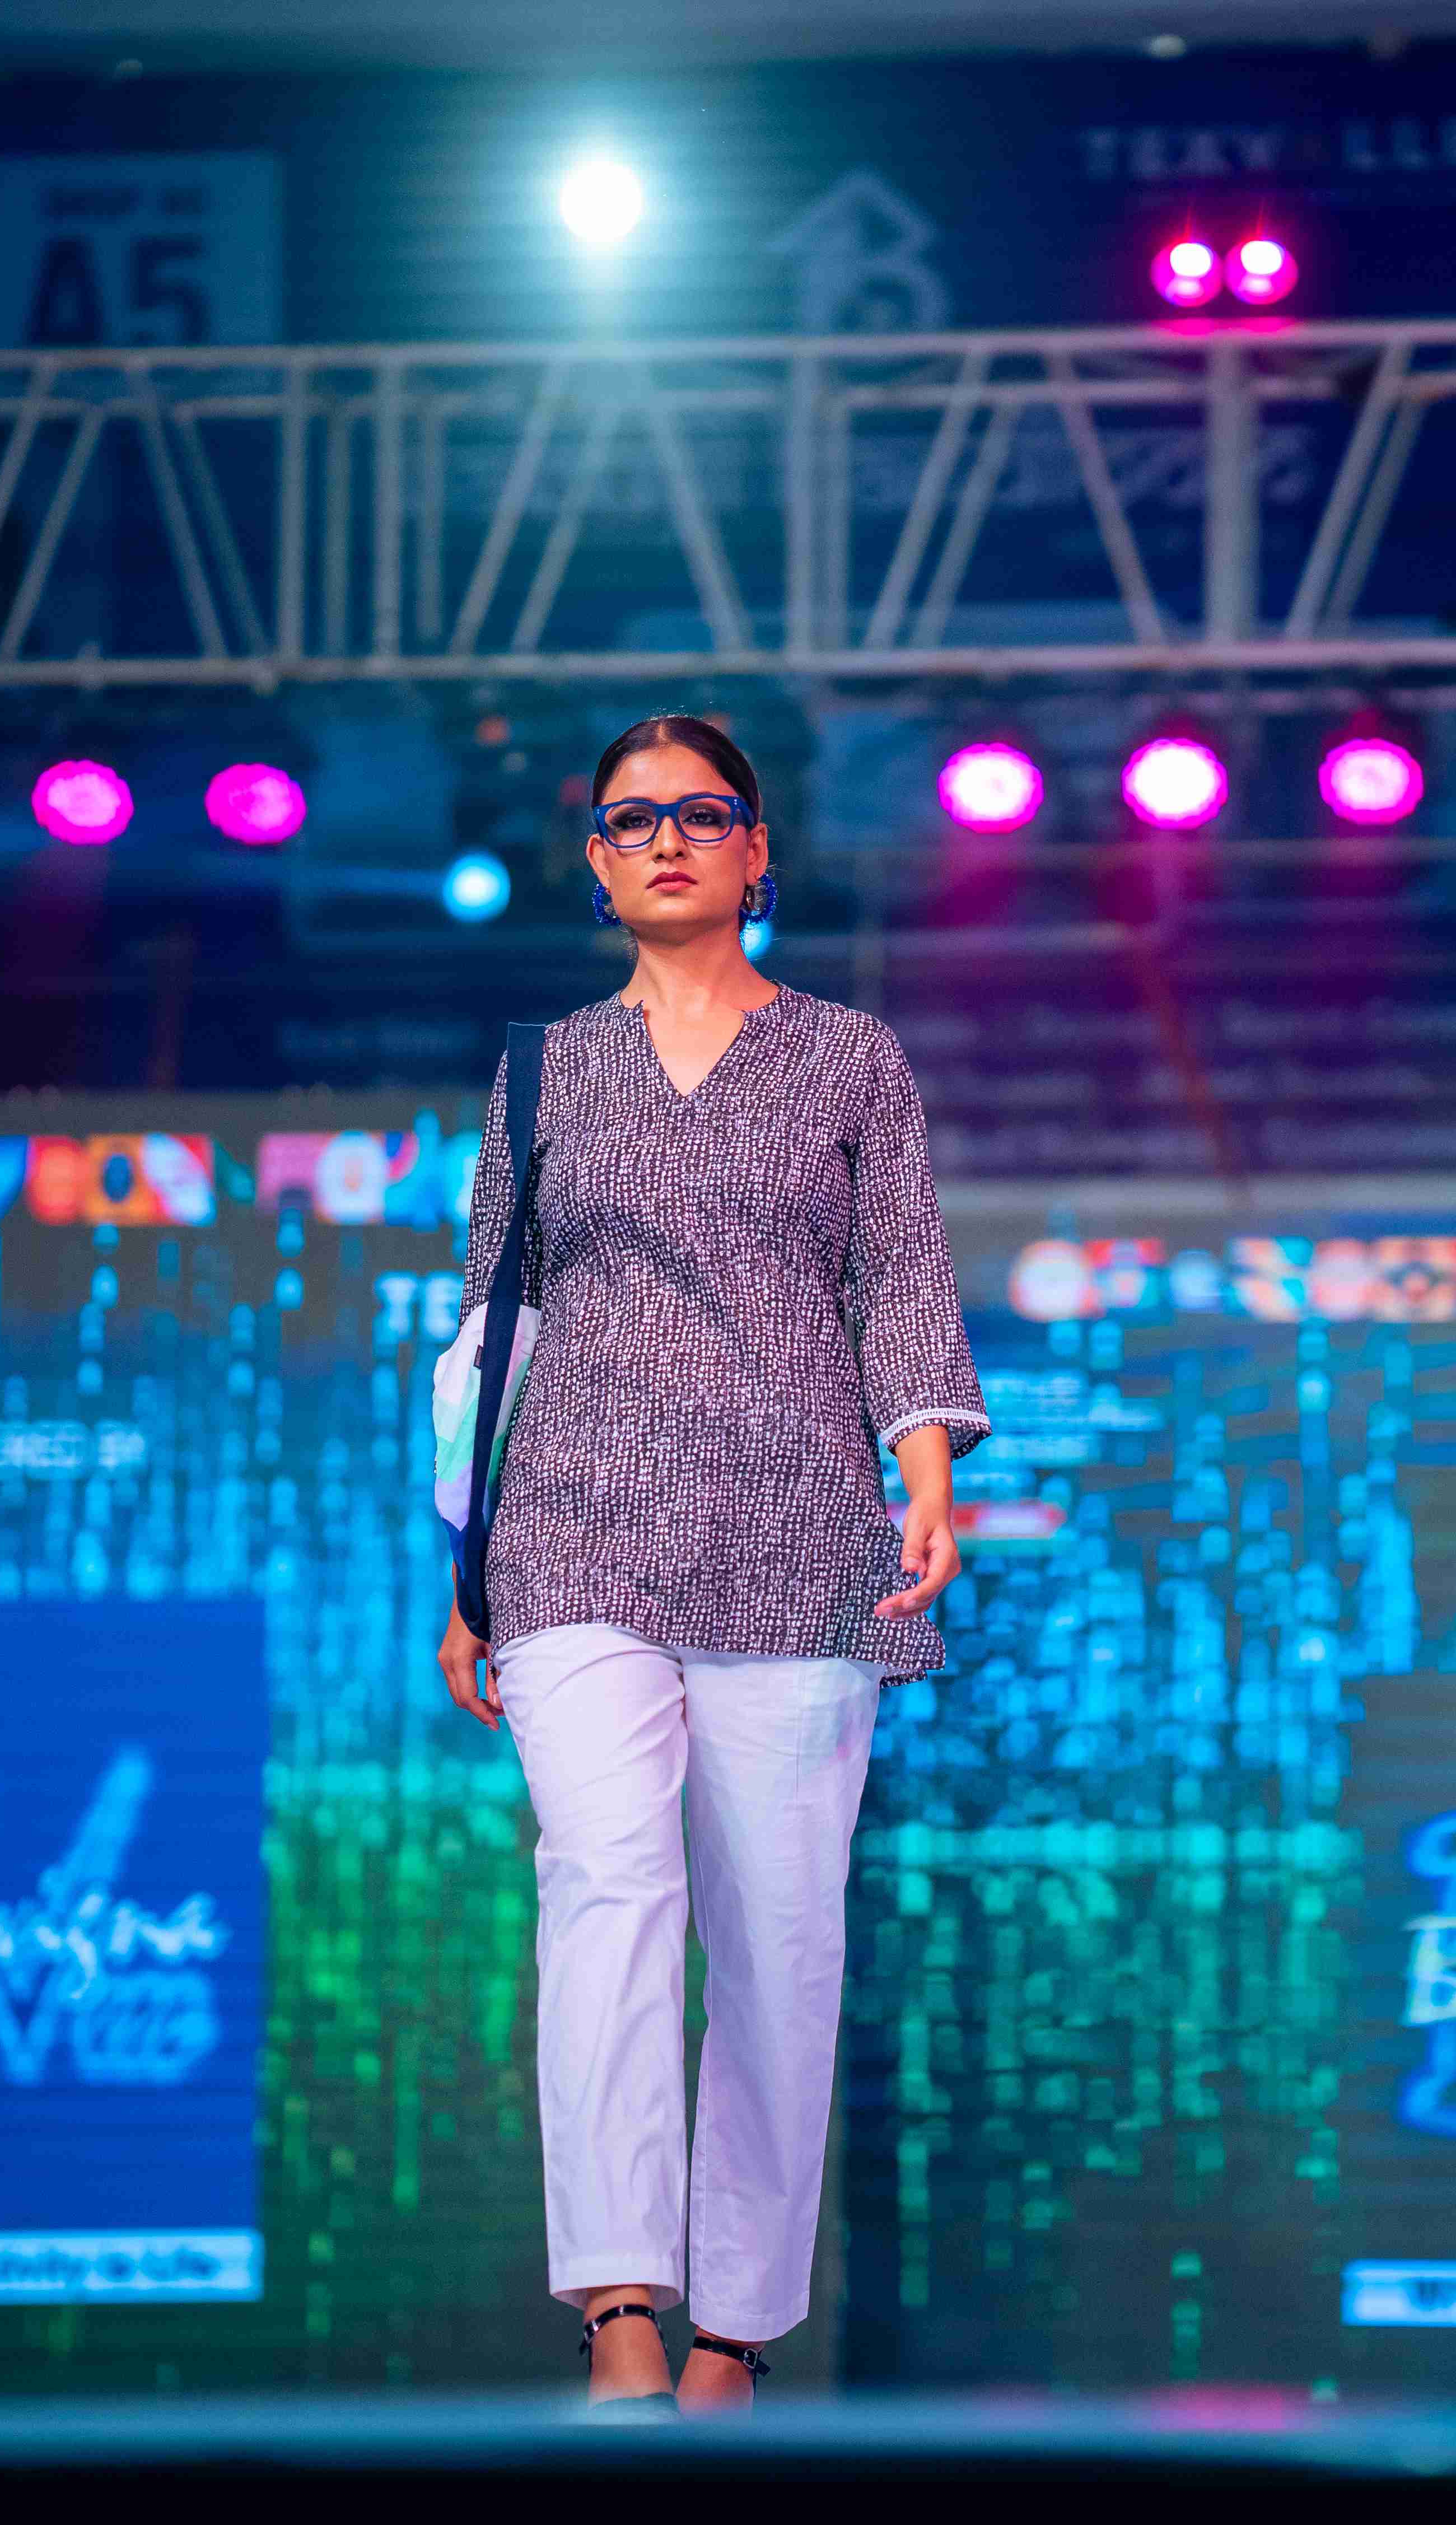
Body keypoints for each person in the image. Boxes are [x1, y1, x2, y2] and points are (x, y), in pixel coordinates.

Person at [437, 711, 988, 2415]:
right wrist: (461, 1572)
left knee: (777, 1925)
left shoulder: (847, 1058)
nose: (664, 837)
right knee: (605, 1879)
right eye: (630, 817)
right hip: (572, 1527)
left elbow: (901, 1274)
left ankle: (735, 2332)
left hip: (797, 1530)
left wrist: (925, 1474)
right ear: (595, 864)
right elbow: (491, 1324)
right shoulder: (541, 1070)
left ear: (758, 850)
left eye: (700, 810)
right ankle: (619, 2299)